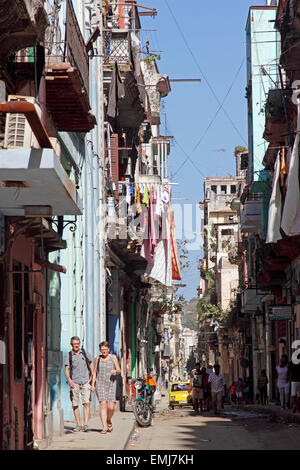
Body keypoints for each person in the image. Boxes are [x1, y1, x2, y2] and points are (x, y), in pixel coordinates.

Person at [64, 336, 94, 432]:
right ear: (71, 344)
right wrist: (69, 380)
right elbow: (66, 369)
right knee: (75, 404)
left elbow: (91, 363)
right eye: (74, 344)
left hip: (85, 381)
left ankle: (85, 424)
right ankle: (78, 424)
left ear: (79, 343)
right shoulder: (69, 355)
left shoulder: (84, 353)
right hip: (75, 382)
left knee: (86, 403)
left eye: (77, 343)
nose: (76, 345)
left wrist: (92, 376)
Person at [91, 341, 121, 434]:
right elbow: (94, 372)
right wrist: (92, 385)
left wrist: (115, 371)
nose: (103, 351)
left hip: (111, 383)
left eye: (105, 349)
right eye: (102, 350)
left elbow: (119, 370)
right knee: (103, 404)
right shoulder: (97, 359)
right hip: (100, 383)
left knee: (111, 407)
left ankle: (108, 420)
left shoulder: (113, 358)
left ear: (108, 349)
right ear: (100, 350)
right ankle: (104, 427)